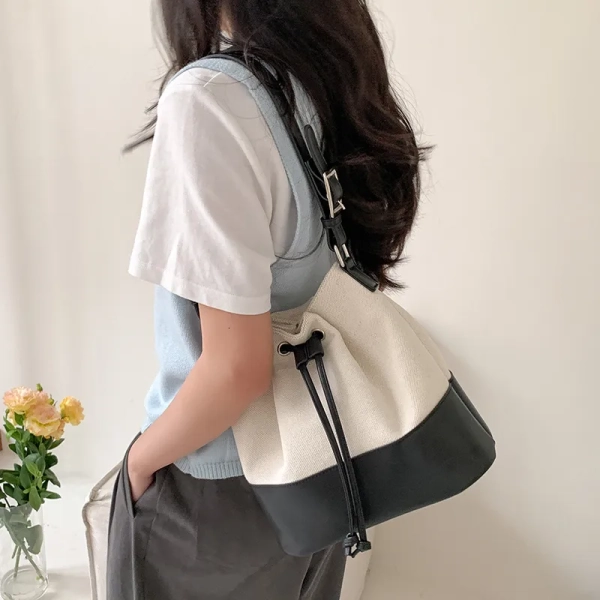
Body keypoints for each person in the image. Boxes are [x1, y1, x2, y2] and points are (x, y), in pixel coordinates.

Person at [107, 1, 425, 599]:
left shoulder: (209, 98)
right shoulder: (322, 84)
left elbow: (237, 369)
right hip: (321, 459)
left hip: (219, 486)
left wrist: (140, 463)